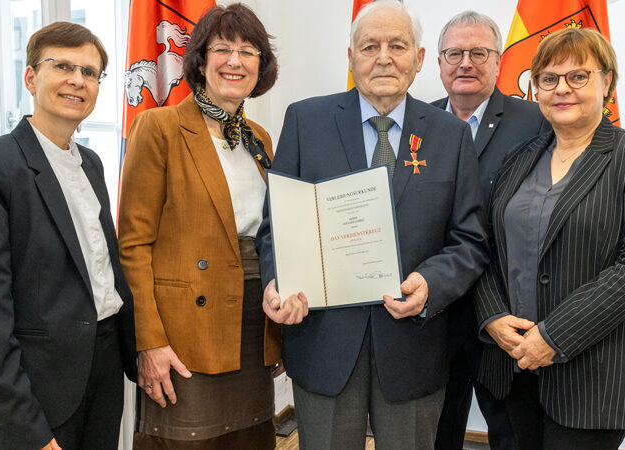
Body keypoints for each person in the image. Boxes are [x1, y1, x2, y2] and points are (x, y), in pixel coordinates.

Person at [256, 1, 488, 448]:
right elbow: (276, 227)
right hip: (322, 341)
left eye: (397, 45)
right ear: (350, 57)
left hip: (414, 347)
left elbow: (471, 239)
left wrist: (430, 284)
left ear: (419, 59)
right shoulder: (306, 121)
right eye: (370, 46)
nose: (383, 57)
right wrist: (276, 283)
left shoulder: (450, 134)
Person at [473, 27, 625, 450]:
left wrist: (553, 338)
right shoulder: (519, 158)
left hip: (593, 377)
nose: (561, 88)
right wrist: (492, 317)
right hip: (511, 367)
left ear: (608, 84)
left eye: (578, 76)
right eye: (548, 78)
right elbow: (486, 249)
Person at [0, 21, 137, 450]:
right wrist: (25, 427)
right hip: (37, 388)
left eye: (90, 72)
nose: (77, 80)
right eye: (63, 66)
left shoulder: (91, 164)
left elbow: (105, 271)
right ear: (31, 77)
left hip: (103, 368)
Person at [117, 4, 280, 449]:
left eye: (249, 52)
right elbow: (132, 245)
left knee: (248, 439)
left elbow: (273, 239)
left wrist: (281, 333)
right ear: (200, 59)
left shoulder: (259, 138)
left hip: (252, 320)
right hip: (184, 331)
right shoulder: (158, 127)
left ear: (261, 67)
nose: (235, 61)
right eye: (222, 48)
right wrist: (148, 342)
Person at [430, 11, 547, 450]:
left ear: (499, 62)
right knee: (437, 431)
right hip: (435, 311)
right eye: (455, 52)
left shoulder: (535, 120)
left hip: (504, 312)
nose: (466, 62)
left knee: (510, 433)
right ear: (438, 62)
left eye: (479, 52)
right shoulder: (418, 123)